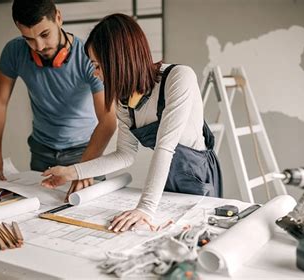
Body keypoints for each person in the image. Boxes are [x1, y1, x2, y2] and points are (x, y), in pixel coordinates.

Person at [41, 13, 222, 232]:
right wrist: (71, 172)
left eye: (97, 66)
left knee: (197, 236)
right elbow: (125, 155)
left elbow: (165, 148)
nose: (96, 74)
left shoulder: (179, 78)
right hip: (164, 181)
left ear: (118, 60)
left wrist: (145, 208)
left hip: (197, 178)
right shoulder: (124, 101)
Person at [0, 0, 117, 199]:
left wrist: (84, 168)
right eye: (29, 39)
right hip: (41, 153)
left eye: (44, 34)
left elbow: (108, 119)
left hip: (85, 153)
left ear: (58, 18)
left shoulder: (88, 56)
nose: (38, 46)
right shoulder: (14, 51)